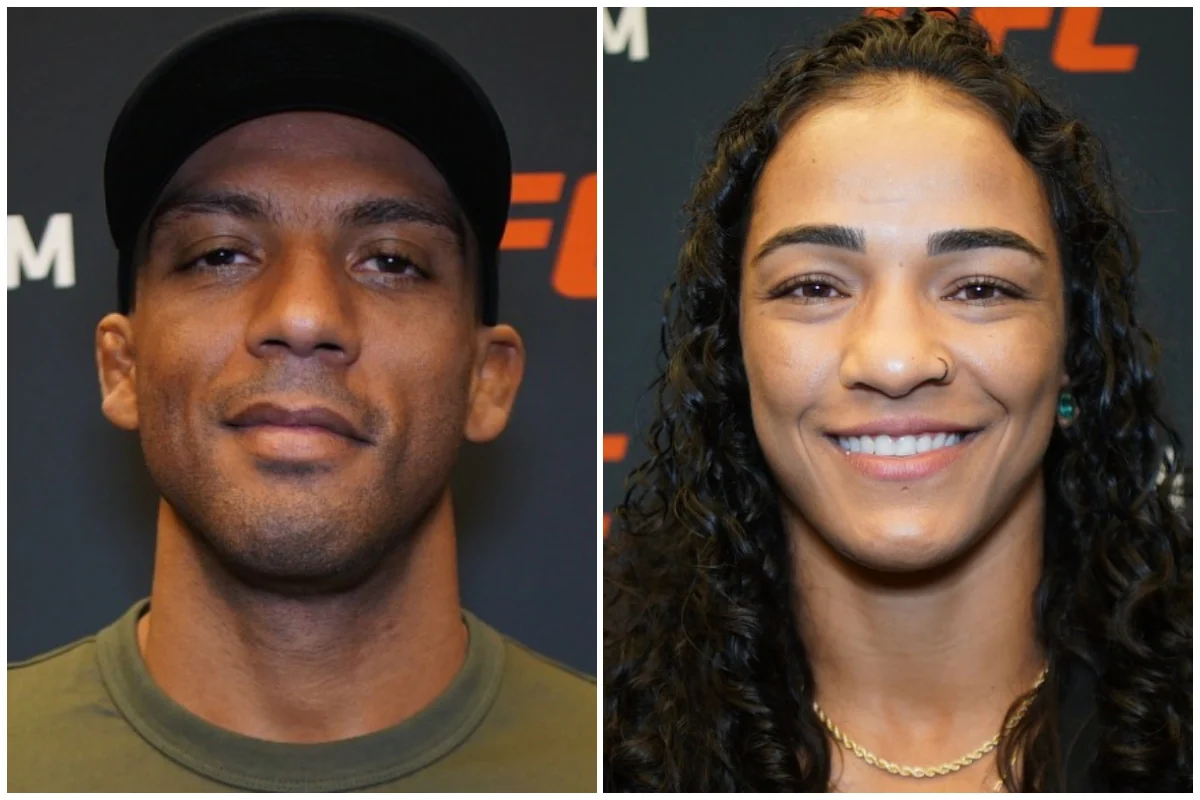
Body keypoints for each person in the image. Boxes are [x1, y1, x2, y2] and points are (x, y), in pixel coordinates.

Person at [604, 9, 1190, 793]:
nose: (895, 359)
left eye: (980, 288)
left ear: (1072, 351)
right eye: (814, 287)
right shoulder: (605, 748)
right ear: (732, 352)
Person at [9, 10, 595, 792]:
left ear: (487, 379)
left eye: (391, 261)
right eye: (220, 253)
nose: (305, 315)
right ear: (123, 367)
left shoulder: (633, 767)